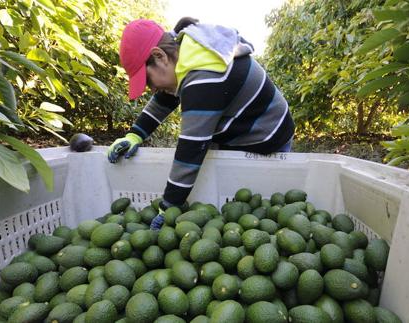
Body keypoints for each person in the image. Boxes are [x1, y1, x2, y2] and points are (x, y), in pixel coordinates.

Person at [108, 17, 294, 230]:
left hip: (266, 136)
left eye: (148, 81)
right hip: (240, 130)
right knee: (232, 209)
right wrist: (135, 134)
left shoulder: (205, 78)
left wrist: (168, 207)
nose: (151, 88)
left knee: (256, 209)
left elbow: (191, 150)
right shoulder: (188, 51)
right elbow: (165, 98)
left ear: (159, 55)